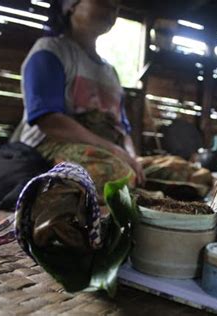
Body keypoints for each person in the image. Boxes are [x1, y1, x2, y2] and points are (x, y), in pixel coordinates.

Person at [11, 0, 145, 192]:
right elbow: (49, 121)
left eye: (115, 7)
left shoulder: (111, 72)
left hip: (109, 151)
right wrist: (115, 150)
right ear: (71, 5)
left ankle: (140, 191)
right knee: (117, 174)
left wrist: (133, 157)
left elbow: (122, 130)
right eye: (102, 3)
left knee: (186, 172)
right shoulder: (50, 50)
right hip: (51, 145)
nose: (110, 11)